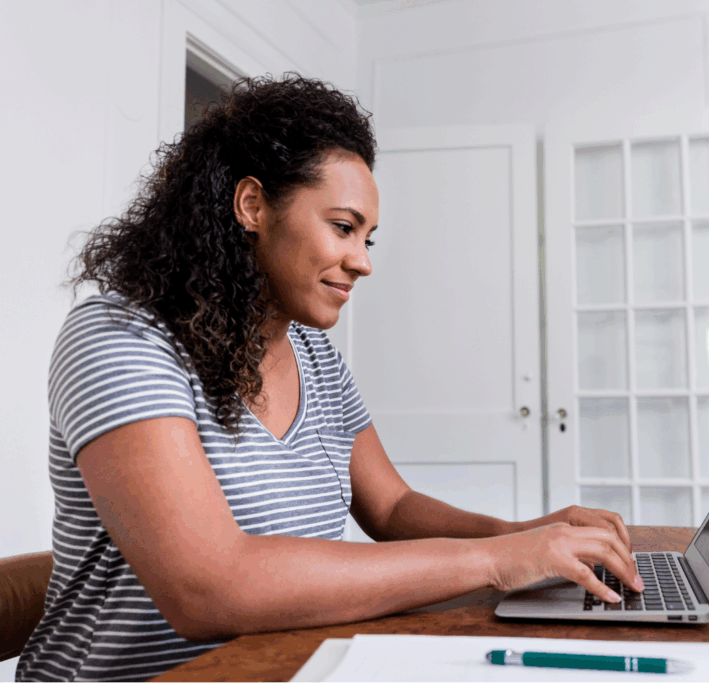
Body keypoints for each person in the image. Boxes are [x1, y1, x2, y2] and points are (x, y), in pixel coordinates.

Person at [16, 74, 642, 682]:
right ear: (252, 205)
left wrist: (526, 536)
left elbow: (391, 507)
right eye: (343, 228)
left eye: (369, 238)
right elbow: (208, 588)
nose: (363, 262)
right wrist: (494, 560)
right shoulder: (121, 338)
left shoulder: (313, 353)